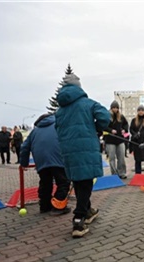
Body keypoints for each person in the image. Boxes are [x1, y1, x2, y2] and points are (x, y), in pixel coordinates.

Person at [55, 73, 110, 238]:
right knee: (85, 182)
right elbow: (105, 116)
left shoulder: (60, 110)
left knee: (79, 181)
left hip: (68, 150)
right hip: (86, 148)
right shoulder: (88, 103)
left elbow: (57, 129)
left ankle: (87, 211)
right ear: (78, 87)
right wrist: (98, 128)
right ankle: (78, 219)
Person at [20, 113, 71, 215]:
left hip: (41, 162)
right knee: (63, 182)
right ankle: (58, 207)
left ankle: (44, 206)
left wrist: (24, 163)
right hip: (58, 159)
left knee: (45, 183)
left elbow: (24, 147)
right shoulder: (59, 125)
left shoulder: (34, 132)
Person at [104, 101, 128, 179]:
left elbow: (126, 124)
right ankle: (114, 174)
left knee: (121, 157)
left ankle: (122, 173)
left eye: (116, 108)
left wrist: (124, 129)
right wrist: (111, 130)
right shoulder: (107, 116)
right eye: (114, 108)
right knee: (112, 158)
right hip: (110, 140)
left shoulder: (121, 116)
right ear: (111, 108)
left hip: (120, 139)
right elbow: (104, 126)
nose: (115, 109)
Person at [130, 105, 144, 174]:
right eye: (139, 110)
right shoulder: (134, 120)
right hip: (137, 143)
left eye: (142, 110)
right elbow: (131, 129)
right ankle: (138, 174)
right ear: (137, 111)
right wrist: (135, 134)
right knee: (138, 160)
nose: (141, 112)